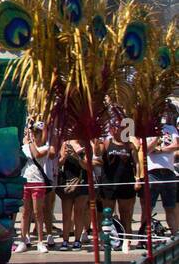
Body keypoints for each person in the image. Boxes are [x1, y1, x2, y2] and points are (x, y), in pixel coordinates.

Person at [98, 120, 140, 249]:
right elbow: (97, 155)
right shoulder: (106, 143)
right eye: (115, 127)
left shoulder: (129, 145)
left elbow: (137, 163)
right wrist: (95, 141)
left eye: (120, 128)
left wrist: (137, 179)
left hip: (126, 182)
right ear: (111, 129)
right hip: (108, 183)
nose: (118, 130)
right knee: (107, 213)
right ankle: (107, 240)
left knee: (126, 213)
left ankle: (127, 240)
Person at [15, 121, 55, 253]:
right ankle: (23, 240)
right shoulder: (25, 146)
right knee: (25, 213)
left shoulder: (45, 147)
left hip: (38, 182)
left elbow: (37, 155)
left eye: (37, 132)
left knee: (38, 213)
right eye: (33, 132)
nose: (34, 134)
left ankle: (40, 241)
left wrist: (30, 141)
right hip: (26, 181)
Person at [140, 103, 179, 238]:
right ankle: (144, 236)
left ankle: (175, 235)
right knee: (147, 208)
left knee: (170, 207)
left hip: (168, 171)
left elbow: (176, 145)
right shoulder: (146, 130)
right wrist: (156, 137)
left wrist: (161, 150)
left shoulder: (171, 128)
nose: (163, 115)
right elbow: (146, 150)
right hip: (153, 173)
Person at [56, 138, 91, 251]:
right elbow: (59, 163)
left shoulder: (87, 144)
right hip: (67, 181)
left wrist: (76, 156)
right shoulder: (65, 143)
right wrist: (65, 156)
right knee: (66, 214)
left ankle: (77, 240)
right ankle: (65, 240)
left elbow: (87, 166)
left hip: (82, 181)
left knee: (79, 212)